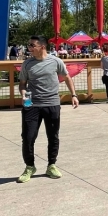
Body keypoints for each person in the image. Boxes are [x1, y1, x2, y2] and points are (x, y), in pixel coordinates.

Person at [17, 35, 79, 182]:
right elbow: (22, 84)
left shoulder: (56, 61)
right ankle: (29, 167)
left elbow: (67, 78)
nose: (29, 48)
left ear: (42, 47)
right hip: (31, 105)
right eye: (29, 45)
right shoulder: (27, 64)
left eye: (32, 45)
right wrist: (24, 95)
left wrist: (74, 95)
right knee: (27, 137)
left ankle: (51, 165)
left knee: (53, 136)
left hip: (52, 104)